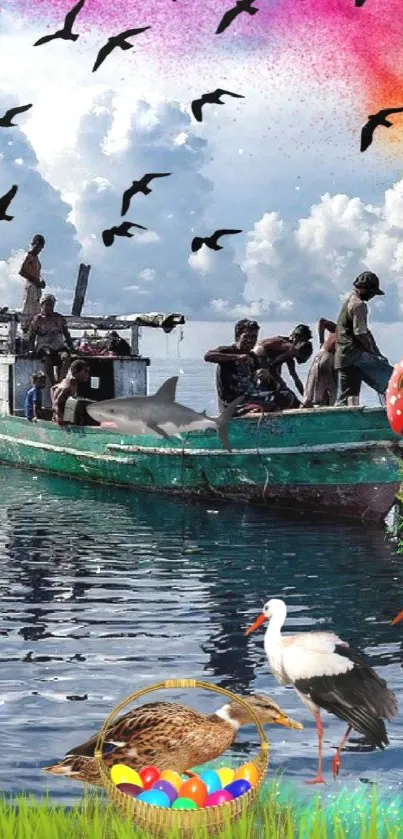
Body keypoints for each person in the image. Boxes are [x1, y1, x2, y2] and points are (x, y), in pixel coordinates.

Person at [334, 271, 393, 406]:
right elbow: (360, 334)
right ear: (363, 288)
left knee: (348, 393)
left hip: (343, 356)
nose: (372, 296)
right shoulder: (359, 305)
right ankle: (392, 408)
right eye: (371, 292)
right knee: (390, 377)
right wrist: (373, 353)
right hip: (355, 354)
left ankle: (342, 417)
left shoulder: (348, 300)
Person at [253, 324, 313, 409]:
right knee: (276, 385)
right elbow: (272, 368)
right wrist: (280, 383)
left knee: (278, 385)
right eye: (305, 340)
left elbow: (295, 377)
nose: (306, 343)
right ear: (298, 338)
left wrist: (305, 396)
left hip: (261, 358)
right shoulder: (291, 348)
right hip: (260, 356)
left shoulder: (289, 349)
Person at [28, 294, 74, 386]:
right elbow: (32, 336)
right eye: (47, 305)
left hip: (58, 346)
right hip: (44, 346)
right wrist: (31, 349)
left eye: (51, 305)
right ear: (42, 305)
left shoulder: (59, 318)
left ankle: (60, 381)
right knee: (47, 357)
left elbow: (66, 333)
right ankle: (53, 383)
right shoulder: (37, 319)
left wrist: (71, 346)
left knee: (65, 357)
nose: (49, 307)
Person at [303, 318, 337, 408]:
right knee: (329, 393)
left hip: (322, 357)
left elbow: (322, 322)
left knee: (312, 393)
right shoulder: (343, 330)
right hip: (327, 358)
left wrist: (322, 341)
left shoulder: (337, 328)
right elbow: (322, 321)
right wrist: (321, 341)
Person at [19, 234, 46, 332]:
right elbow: (22, 271)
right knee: (28, 310)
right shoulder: (30, 256)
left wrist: (40, 283)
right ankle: (25, 331)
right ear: (33, 244)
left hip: (35, 287)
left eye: (40, 248)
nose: (38, 249)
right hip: (31, 286)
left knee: (36, 312)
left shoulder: (36, 258)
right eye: (37, 246)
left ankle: (32, 332)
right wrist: (35, 281)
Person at [51, 359, 91, 425]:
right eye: (85, 371)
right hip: (62, 423)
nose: (87, 375)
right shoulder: (69, 384)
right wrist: (59, 416)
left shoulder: (72, 382)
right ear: (76, 371)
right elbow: (55, 404)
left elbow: (52, 388)